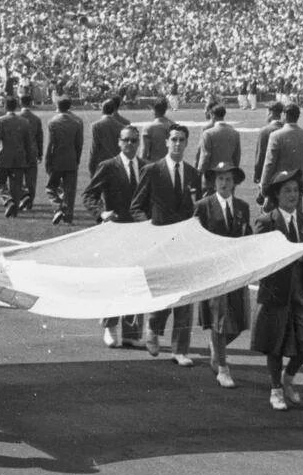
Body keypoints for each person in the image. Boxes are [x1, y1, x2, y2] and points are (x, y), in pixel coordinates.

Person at [250, 169, 303, 411]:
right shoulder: (266, 221)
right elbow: (258, 258)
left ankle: (288, 378)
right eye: (287, 191)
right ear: (277, 195)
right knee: (276, 343)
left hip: (302, 291)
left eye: (296, 191)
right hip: (276, 292)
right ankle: (276, 389)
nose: (293, 195)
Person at [130, 124, 200, 366]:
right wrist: (148, 227)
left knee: (185, 296)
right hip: (160, 243)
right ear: (166, 143)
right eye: (174, 140)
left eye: (182, 140)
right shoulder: (152, 171)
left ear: (186, 143)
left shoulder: (193, 174)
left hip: (184, 245)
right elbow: (136, 206)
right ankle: (153, 326)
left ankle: (180, 350)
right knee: (165, 293)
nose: (177, 144)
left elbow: (196, 208)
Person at [81, 124, 145, 349]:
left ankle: (132, 332)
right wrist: (101, 212)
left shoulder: (146, 167)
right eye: (126, 140)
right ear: (119, 142)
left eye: (134, 141)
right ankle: (110, 326)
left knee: (136, 281)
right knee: (115, 281)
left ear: (139, 143)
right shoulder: (108, 166)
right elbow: (89, 195)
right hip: (115, 231)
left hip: (138, 234)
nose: (130, 144)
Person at [193, 161, 251, 389]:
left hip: (236, 270)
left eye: (228, 179)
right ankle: (223, 368)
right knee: (219, 320)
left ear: (234, 183)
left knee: (238, 322)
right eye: (220, 179)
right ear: (213, 182)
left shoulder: (242, 207)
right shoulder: (203, 206)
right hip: (214, 272)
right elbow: (195, 239)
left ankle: (217, 348)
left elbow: (247, 236)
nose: (224, 183)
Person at [260, 104, 303, 199]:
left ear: (285, 115)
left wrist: (264, 184)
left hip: (279, 183)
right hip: (299, 183)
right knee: (297, 211)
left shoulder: (276, 136)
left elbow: (269, 163)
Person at [0, 98, 34, 218]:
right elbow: (28, 143)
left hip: (4, 156)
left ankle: (8, 201)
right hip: (19, 157)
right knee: (16, 184)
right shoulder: (24, 121)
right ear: (17, 106)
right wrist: (29, 158)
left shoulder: (0, 121)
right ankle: (15, 207)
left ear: (4, 106)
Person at [45, 98, 85, 225]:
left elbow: (50, 144)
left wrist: (47, 160)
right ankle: (68, 217)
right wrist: (77, 158)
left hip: (56, 159)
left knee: (51, 188)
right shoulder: (77, 122)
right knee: (70, 190)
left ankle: (57, 208)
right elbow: (79, 144)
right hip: (71, 158)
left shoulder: (53, 122)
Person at [86, 96, 130, 178]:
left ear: (102, 110)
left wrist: (91, 166)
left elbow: (94, 149)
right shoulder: (122, 126)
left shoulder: (96, 126)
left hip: (101, 164)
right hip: (117, 164)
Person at [194, 104, 241, 173]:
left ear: (212, 115)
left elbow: (204, 155)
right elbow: (237, 156)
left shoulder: (208, 133)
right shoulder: (235, 133)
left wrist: (199, 171)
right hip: (229, 171)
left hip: (212, 173)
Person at [252, 102, 286, 186]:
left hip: (268, 176)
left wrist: (257, 175)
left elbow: (260, 155)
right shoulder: (286, 130)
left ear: (270, 113)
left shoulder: (265, 131)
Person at [139, 99, 175, 164]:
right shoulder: (173, 126)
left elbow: (144, 151)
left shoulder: (148, 128)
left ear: (154, 111)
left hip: (154, 165)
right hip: (170, 165)